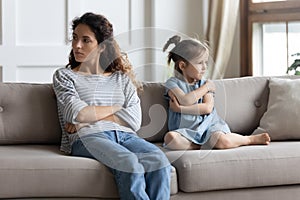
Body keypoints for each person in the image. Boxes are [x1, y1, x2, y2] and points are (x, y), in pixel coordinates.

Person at [52, 12, 171, 200]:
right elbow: (78, 113)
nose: (77, 45)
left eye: (85, 40)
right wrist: (117, 108)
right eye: (75, 38)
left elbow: (134, 120)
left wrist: (90, 116)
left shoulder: (121, 78)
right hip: (88, 137)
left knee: (160, 161)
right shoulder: (65, 76)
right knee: (129, 162)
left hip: (126, 136)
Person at [162, 35, 271, 150]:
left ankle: (249, 139)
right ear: (183, 66)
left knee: (223, 141)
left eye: (206, 62)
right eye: (200, 63)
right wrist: (205, 89)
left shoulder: (205, 83)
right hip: (184, 132)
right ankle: (201, 145)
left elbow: (207, 108)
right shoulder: (172, 83)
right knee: (170, 138)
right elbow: (185, 100)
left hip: (209, 127)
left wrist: (180, 109)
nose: (204, 67)